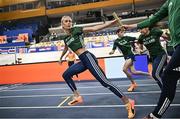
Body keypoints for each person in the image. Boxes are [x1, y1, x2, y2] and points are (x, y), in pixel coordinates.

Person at [59, 16, 135, 119]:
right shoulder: (66, 38)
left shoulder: (77, 29)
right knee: (66, 75)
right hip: (82, 61)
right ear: (62, 24)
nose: (69, 23)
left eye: (70, 21)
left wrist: (112, 23)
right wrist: (61, 57)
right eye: (66, 21)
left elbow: (95, 28)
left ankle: (128, 102)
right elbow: (66, 48)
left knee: (105, 82)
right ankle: (77, 96)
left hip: (88, 57)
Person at [123, 0, 180, 118]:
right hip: (156, 55)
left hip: (161, 54)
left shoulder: (155, 31)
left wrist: (168, 40)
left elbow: (166, 36)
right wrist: (139, 48)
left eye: (142, 28)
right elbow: (156, 17)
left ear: (147, 28)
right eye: (140, 29)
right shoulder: (169, 2)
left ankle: (156, 113)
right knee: (164, 75)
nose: (141, 30)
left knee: (163, 75)